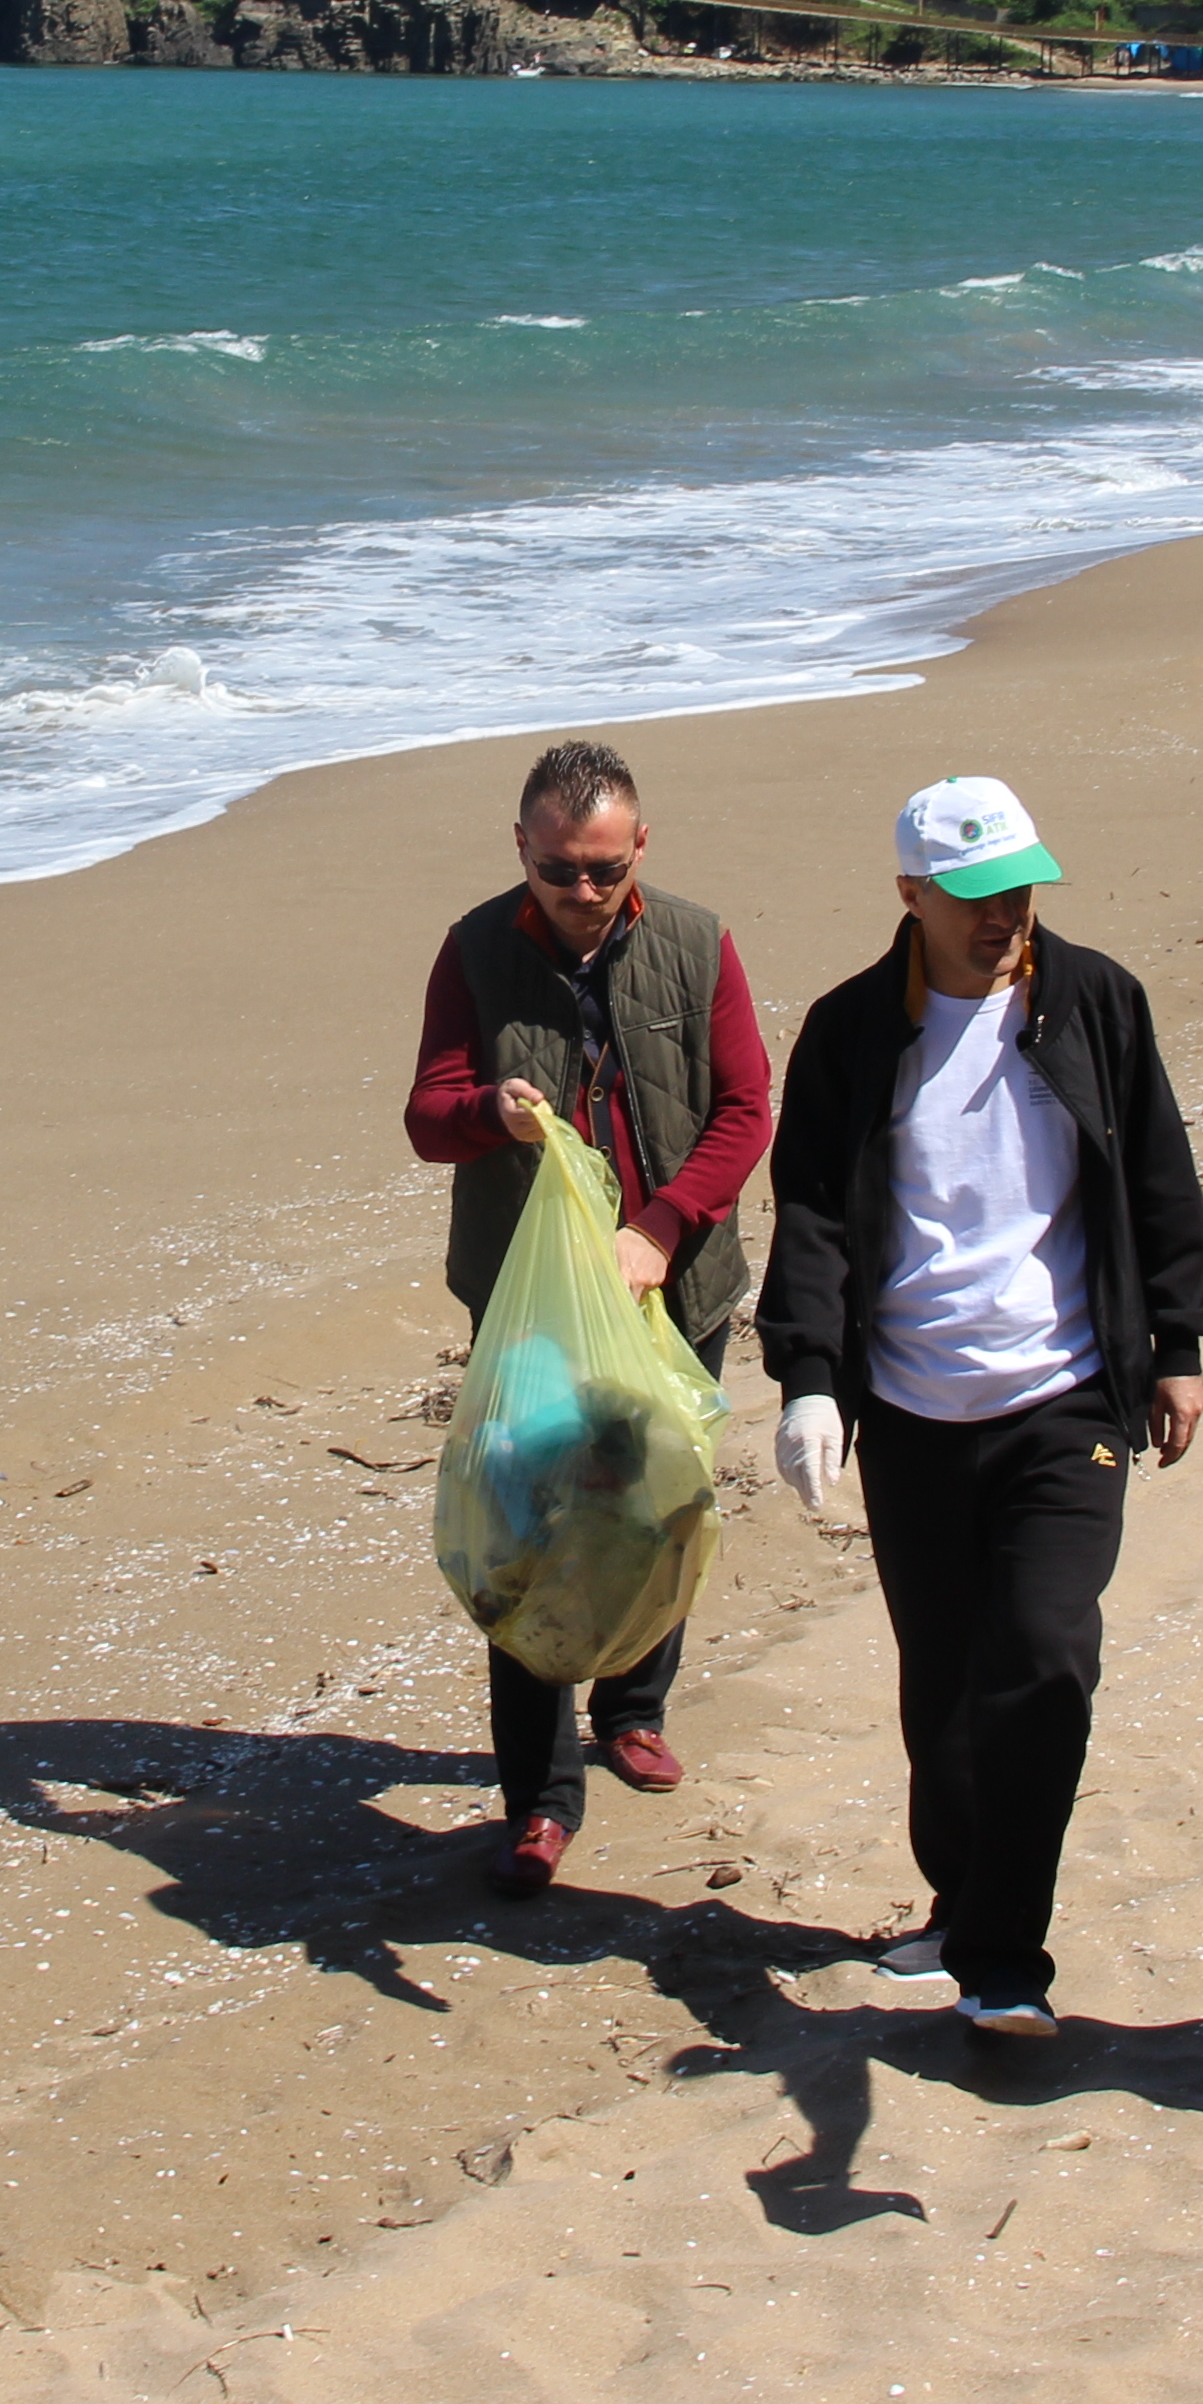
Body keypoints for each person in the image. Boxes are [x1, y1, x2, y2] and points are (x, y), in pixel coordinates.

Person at [759, 778, 1203, 2039]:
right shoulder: (852, 1031)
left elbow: (1160, 1175)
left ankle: (1009, 1964)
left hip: (1066, 1401)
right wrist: (809, 1380)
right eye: (972, 895)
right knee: (945, 1687)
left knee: (1046, 1660)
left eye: (1018, 886)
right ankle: (963, 1902)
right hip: (909, 1411)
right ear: (910, 895)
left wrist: (1175, 1344)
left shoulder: (1097, 1003)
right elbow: (812, 1213)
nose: (1003, 914)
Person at [405, 737, 776, 1894]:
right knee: (532, 1537)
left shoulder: (696, 942)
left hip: (674, 1289)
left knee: (655, 1505)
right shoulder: (473, 950)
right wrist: (487, 1112)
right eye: (560, 868)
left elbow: (746, 1109)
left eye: (604, 870)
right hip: (532, 1309)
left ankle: (634, 1709)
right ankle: (539, 1797)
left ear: (641, 850)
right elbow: (426, 1115)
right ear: (522, 848)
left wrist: (660, 1231)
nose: (580, 893)